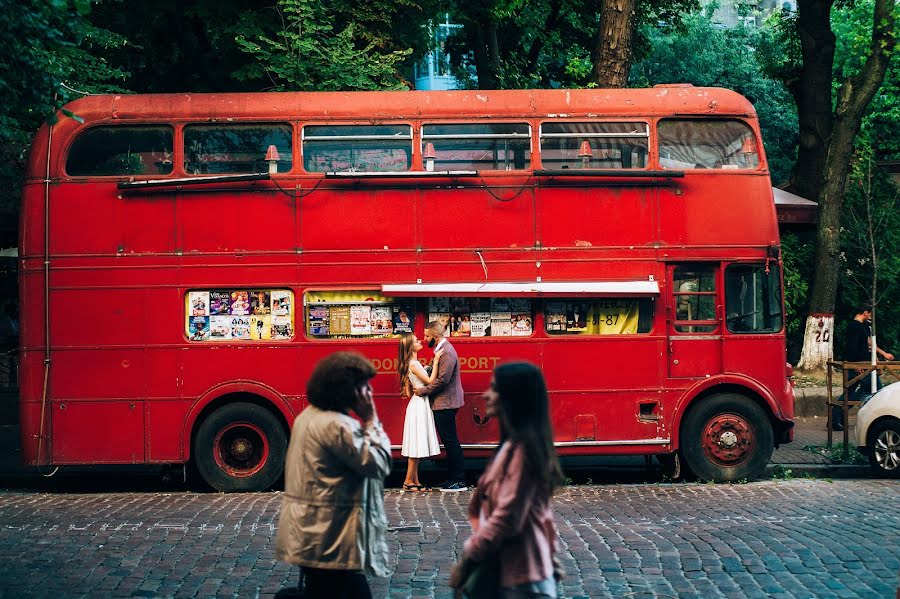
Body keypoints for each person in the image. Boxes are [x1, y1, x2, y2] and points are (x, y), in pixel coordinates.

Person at [275, 352, 391, 599]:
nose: (369, 392)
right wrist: (371, 419)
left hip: (314, 533)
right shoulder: (338, 426)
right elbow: (378, 463)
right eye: (363, 386)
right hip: (330, 538)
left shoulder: (307, 417)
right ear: (347, 391)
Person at [449, 362, 565, 599]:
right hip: (518, 572)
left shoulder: (522, 452)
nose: (485, 395)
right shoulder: (514, 447)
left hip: (521, 578)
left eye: (494, 389)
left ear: (512, 398)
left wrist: (469, 557)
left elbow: (508, 518)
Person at [415, 320, 467, 492]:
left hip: (446, 402)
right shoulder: (442, 350)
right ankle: (453, 478)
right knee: (449, 440)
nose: (424, 339)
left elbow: (442, 381)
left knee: (451, 441)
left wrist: (423, 391)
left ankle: (459, 481)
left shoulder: (447, 353)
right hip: (445, 402)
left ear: (435, 337)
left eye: (427, 336)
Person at [832, 306, 895, 431]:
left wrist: (877, 359)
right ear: (865, 312)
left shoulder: (865, 326)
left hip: (866, 364)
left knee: (853, 392)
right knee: (877, 391)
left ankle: (836, 418)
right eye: (870, 313)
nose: (871, 316)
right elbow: (851, 348)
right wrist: (856, 365)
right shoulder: (853, 327)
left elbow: (870, 344)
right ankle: (875, 421)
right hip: (859, 365)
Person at [397, 333, 443, 490]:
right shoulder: (414, 364)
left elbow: (409, 392)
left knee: (415, 444)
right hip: (419, 405)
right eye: (416, 341)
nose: (420, 341)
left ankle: (415, 481)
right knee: (415, 445)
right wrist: (436, 362)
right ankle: (408, 481)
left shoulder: (412, 363)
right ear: (411, 346)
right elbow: (430, 381)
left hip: (416, 404)